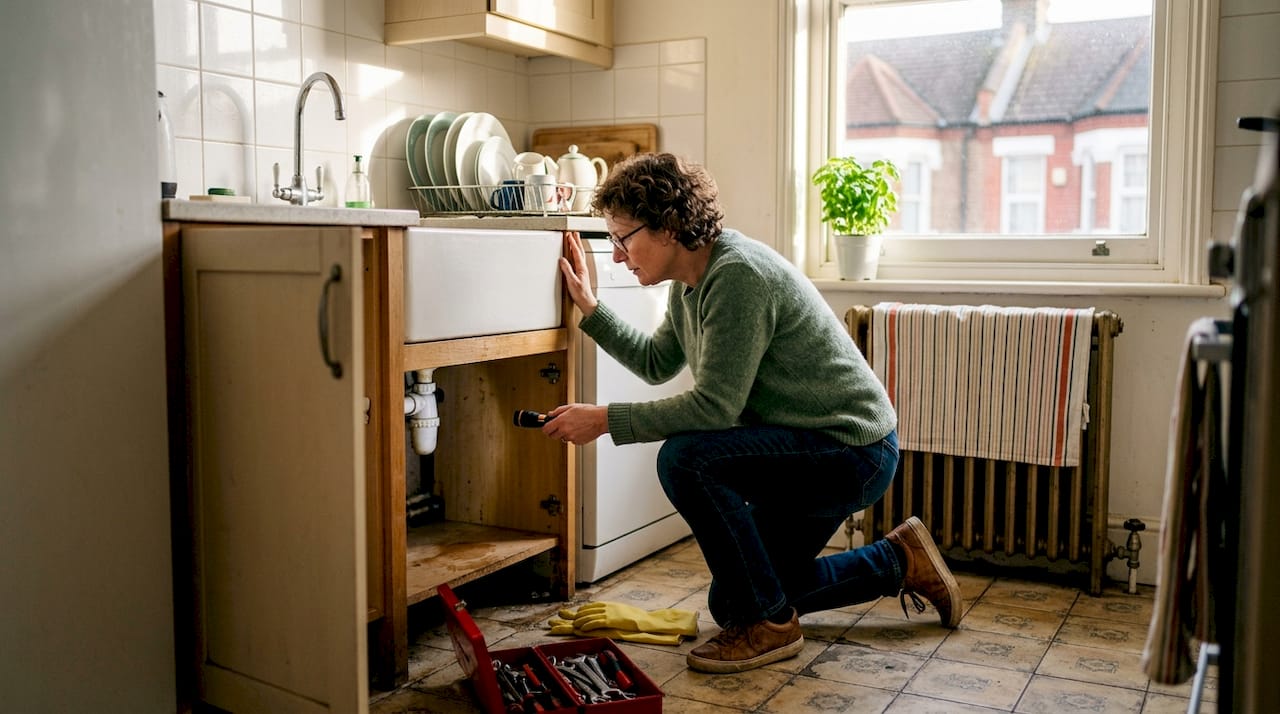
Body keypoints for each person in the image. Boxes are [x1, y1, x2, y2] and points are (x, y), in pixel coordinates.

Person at [541, 152, 961, 674]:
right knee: (736, 602)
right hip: (810, 444)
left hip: (850, 451)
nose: (620, 255)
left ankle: (774, 629)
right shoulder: (690, 284)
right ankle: (898, 561)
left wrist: (605, 421)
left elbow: (715, 407)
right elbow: (655, 363)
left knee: (685, 459)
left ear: (668, 227)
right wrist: (590, 308)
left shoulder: (737, 276)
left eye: (624, 239)